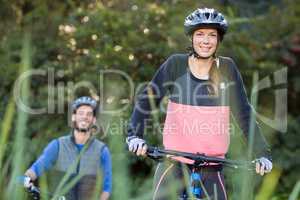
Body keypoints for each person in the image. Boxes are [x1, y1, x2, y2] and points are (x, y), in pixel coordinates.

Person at [126, 8, 272, 200]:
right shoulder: (176, 64)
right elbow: (147, 100)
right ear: (192, 38)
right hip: (173, 164)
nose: (206, 40)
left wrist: (262, 154)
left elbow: (243, 113)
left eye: (212, 35)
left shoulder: (227, 68)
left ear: (218, 40)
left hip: (212, 168)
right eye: (200, 34)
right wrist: (134, 136)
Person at [23, 96, 112, 200]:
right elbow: (37, 168)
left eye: (89, 114)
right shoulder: (58, 145)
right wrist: (27, 178)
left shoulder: (102, 150)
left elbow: (107, 188)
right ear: (73, 117)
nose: (85, 117)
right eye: (81, 113)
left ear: (94, 120)